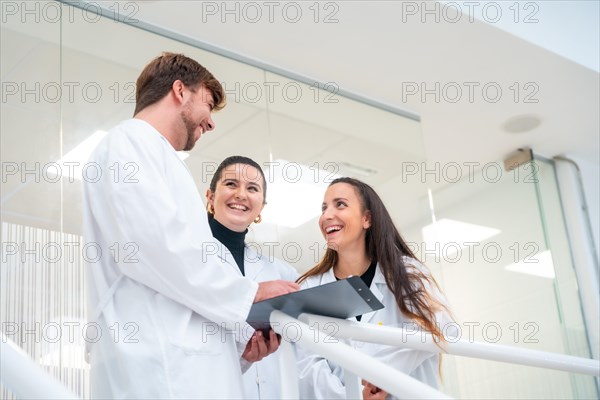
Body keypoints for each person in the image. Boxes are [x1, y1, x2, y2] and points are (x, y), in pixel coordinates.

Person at [82, 52, 298, 399]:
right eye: (208, 104)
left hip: (179, 368)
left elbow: (180, 288)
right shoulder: (130, 144)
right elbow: (153, 247)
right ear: (180, 91)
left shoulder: (161, 158)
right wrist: (250, 293)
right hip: (157, 370)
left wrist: (237, 355)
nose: (210, 122)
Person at [296, 177, 454, 400]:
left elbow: (443, 327)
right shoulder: (312, 287)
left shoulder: (406, 273)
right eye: (324, 208)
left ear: (367, 219)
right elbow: (308, 366)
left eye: (340, 204)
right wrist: (355, 395)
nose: (326, 215)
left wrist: (384, 376)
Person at [205, 155, 300, 399]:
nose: (241, 194)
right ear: (210, 197)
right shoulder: (190, 259)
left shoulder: (280, 272)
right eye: (231, 184)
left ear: (261, 208)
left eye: (252, 188)